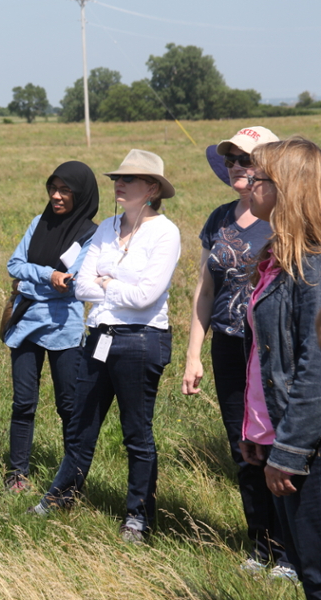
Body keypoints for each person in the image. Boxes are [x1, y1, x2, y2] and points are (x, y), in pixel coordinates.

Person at [29, 149, 179, 544]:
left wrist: (107, 283)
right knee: (80, 424)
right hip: (98, 338)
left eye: (128, 179)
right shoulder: (106, 227)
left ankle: (138, 518)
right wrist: (108, 286)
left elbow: (146, 296)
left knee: (136, 433)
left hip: (140, 341)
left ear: (152, 189)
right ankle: (61, 497)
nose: (119, 184)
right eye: (117, 178)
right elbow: (81, 285)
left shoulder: (165, 232)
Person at [181, 126, 294, 577]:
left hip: (268, 347)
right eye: (230, 160)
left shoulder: (284, 218)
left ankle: (289, 552)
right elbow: (205, 289)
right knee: (242, 446)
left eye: (245, 160)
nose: (236, 168)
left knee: (279, 444)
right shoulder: (219, 218)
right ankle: (260, 545)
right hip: (228, 346)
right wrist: (194, 353)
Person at [239, 137, 321, 598]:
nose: (248, 185)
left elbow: (316, 369)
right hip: (281, 437)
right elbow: (265, 359)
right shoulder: (277, 260)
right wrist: (259, 431)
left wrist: (287, 451)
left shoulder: (314, 269)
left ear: (288, 189)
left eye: (259, 178)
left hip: (309, 451)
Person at [2, 161, 99, 492]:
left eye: (65, 190)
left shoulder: (91, 233)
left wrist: (37, 278)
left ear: (81, 194)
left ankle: (70, 477)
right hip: (26, 323)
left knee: (68, 405)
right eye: (52, 188)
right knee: (23, 402)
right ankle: (16, 473)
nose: (56, 196)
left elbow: (75, 285)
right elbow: (14, 265)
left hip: (64, 328)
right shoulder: (37, 223)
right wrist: (47, 276)